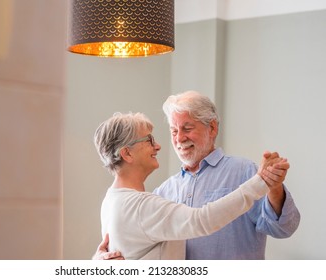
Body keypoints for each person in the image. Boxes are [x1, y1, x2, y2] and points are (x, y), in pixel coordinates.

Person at [94, 91, 300, 260]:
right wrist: (100, 261)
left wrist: (272, 186)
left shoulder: (245, 171)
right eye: (174, 131)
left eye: (187, 128)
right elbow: (128, 248)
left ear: (212, 128)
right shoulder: (162, 192)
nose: (179, 138)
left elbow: (284, 228)